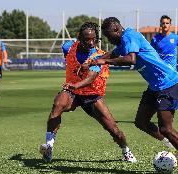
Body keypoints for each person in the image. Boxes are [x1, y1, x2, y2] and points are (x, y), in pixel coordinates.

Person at [89, 17, 178, 174]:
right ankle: (172, 148)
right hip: (155, 86)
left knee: (166, 128)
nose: (108, 39)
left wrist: (104, 62)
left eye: (109, 36)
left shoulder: (130, 36)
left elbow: (131, 59)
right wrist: (95, 60)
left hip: (167, 83)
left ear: (116, 29)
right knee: (141, 122)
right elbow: (114, 53)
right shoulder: (123, 41)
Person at [39, 22, 136, 163]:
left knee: (114, 130)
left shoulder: (98, 56)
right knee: (58, 103)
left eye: (93, 39)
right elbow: (68, 56)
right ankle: (49, 147)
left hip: (92, 95)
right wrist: (73, 84)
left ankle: (126, 150)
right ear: (79, 38)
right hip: (73, 93)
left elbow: (90, 78)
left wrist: (75, 84)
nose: (91, 43)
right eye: (87, 40)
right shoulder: (68, 47)